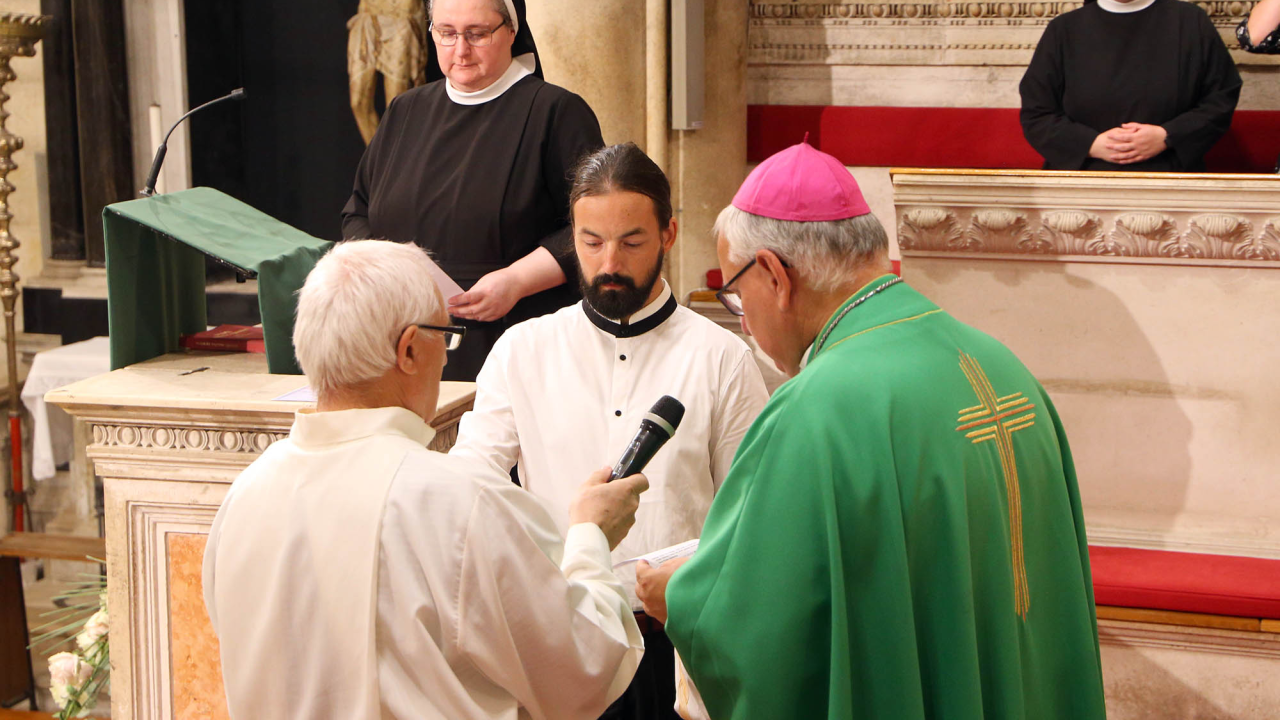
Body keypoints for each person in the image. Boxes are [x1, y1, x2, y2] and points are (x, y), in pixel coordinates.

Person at [635, 141, 1108, 719]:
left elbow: (763, 631)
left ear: (775, 275)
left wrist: (679, 600)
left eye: (735, 294)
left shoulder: (816, 410)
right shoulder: (1001, 366)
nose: (745, 317)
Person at [202, 239, 648, 719]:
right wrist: (590, 537)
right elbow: (580, 669)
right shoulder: (457, 501)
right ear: (410, 349)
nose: (445, 357)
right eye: (444, 335)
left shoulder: (245, 495)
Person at [450, 143, 770, 720]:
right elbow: (469, 487)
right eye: (591, 243)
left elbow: (753, 517)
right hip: (558, 633)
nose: (609, 263)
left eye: (631, 242)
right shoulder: (523, 350)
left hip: (677, 642)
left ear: (669, 234)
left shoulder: (721, 358)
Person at [341, 0, 603, 381]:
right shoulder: (405, 111)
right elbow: (357, 212)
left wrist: (515, 281)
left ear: (512, 30)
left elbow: (593, 226)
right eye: (446, 33)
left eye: (477, 34)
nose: (460, 50)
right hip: (402, 338)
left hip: (513, 341)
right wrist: (384, 277)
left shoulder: (556, 112)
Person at [1019, 0, 1241, 171]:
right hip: (1083, 177)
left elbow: (1220, 98)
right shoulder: (1064, 29)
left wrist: (1167, 136)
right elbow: (1037, 112)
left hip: (1170, 176)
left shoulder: (1191, 22)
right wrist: (1091, 144)